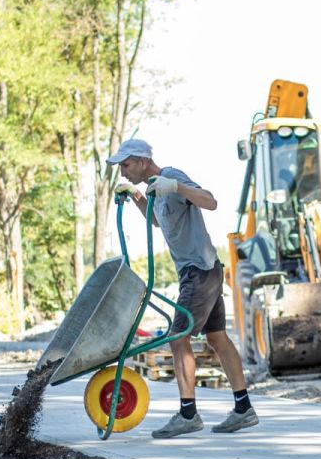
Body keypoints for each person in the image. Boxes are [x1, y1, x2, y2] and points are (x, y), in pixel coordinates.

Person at [107, 138, 258, 438]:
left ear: (142, 161)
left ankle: (188, 413)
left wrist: (175, 187)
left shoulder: (171, 177)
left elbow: (210, 201)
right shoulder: (157, 190)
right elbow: (158, 223)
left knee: (178, 338)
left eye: (125, 165)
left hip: (198, 272)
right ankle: (244, 409)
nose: (122, 171)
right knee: (217, 337)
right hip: (205, 269)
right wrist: (137, 196)